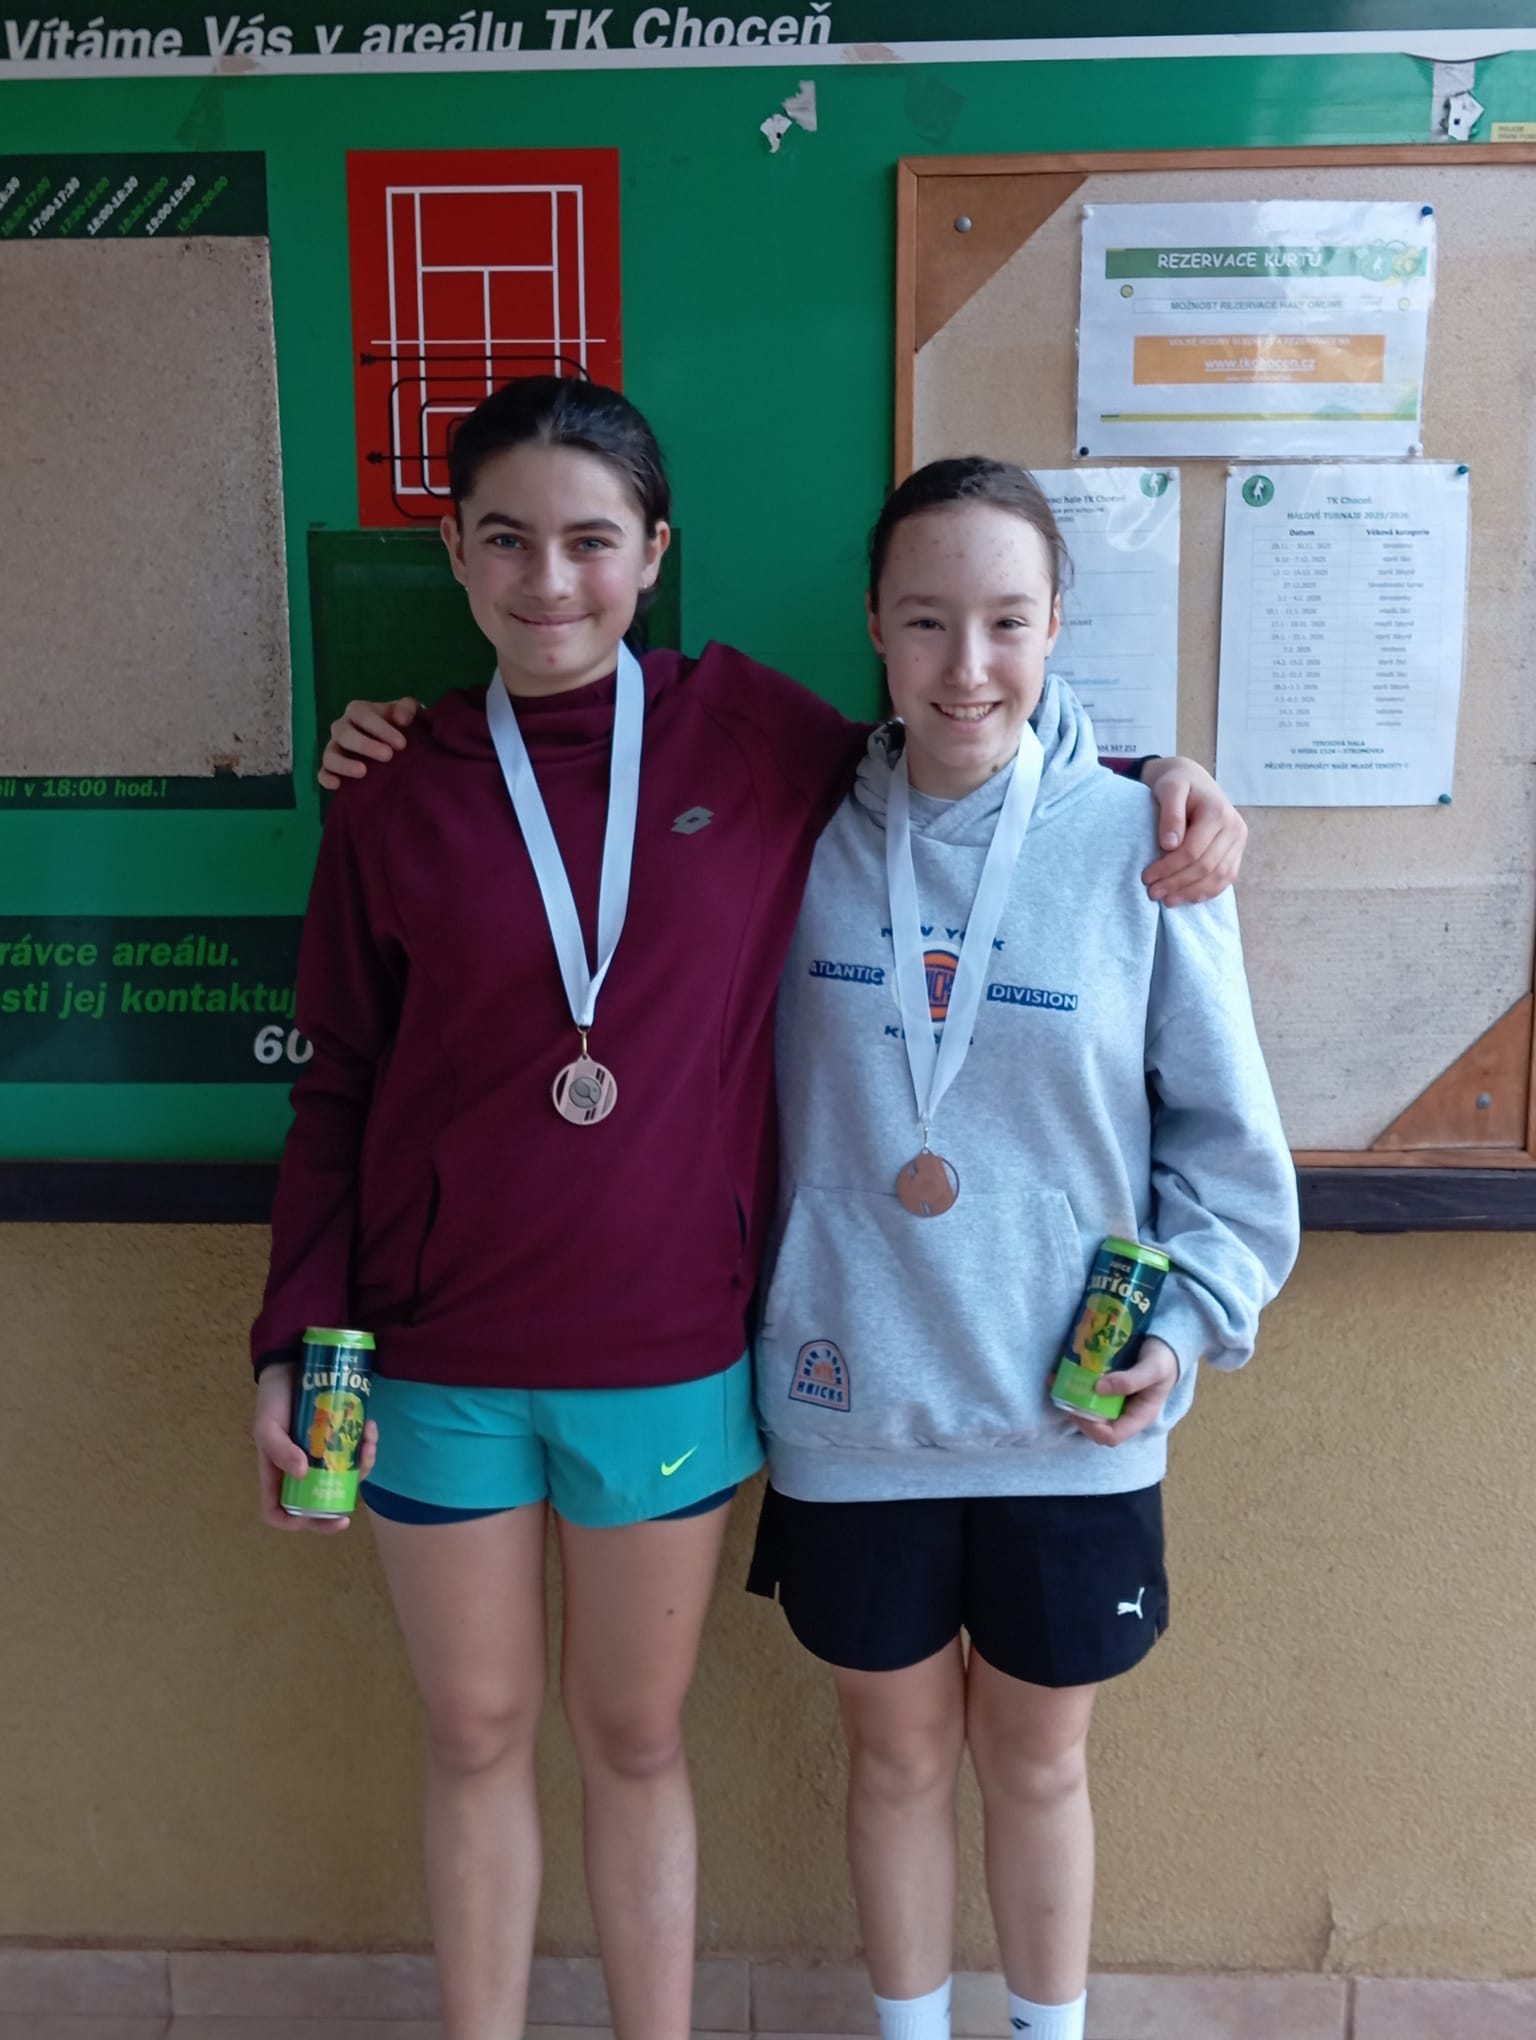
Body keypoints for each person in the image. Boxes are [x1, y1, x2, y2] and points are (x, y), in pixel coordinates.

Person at [260, 376, 1246, 2040]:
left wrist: (1159, 776)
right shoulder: (396, 785)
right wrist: (294, 1335)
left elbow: (967, 744)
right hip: (431, 1356)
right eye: (507, 540)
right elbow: (336, 1084)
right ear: (455, 551)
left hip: (665, 1348)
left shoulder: (754, 734)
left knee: (635, 1737)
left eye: (592, 540)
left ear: (656, 553)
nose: (551, 580)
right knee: (474, 1732)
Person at [744, 458, 1300, 2040]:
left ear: (1059, 624)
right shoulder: (789, 835)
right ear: (874, 625)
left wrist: (1183, 1329)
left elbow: (1226, 1150)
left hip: (1074, 1414)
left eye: (1006, 620)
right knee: (895, 1758)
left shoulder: (1146, 843)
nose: (967, 665)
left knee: (1041, 1763)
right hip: (854, 1400)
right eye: (927, 621)